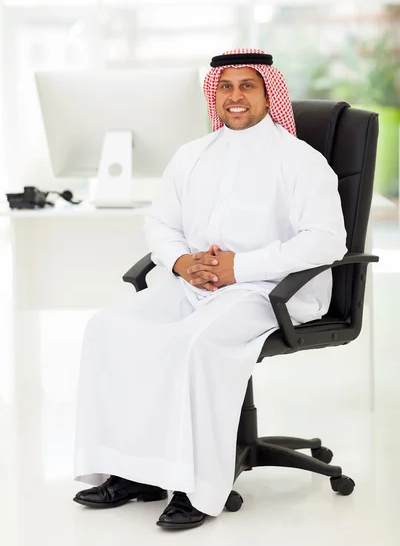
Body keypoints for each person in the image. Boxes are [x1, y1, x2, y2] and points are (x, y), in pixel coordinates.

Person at [73, 48, 347, 530]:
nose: (235, 96)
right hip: (196, 283)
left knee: (192, 344)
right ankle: (134, 474)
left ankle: (197, 489)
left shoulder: (300, 161)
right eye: (226, 86)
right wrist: (181, 261)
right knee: (107, 328)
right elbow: (159, 221)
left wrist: (239, 267)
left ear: (268, 93)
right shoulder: (192, 155)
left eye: (248, 86)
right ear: (213, 93)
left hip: (269, 291)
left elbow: (327, 241)